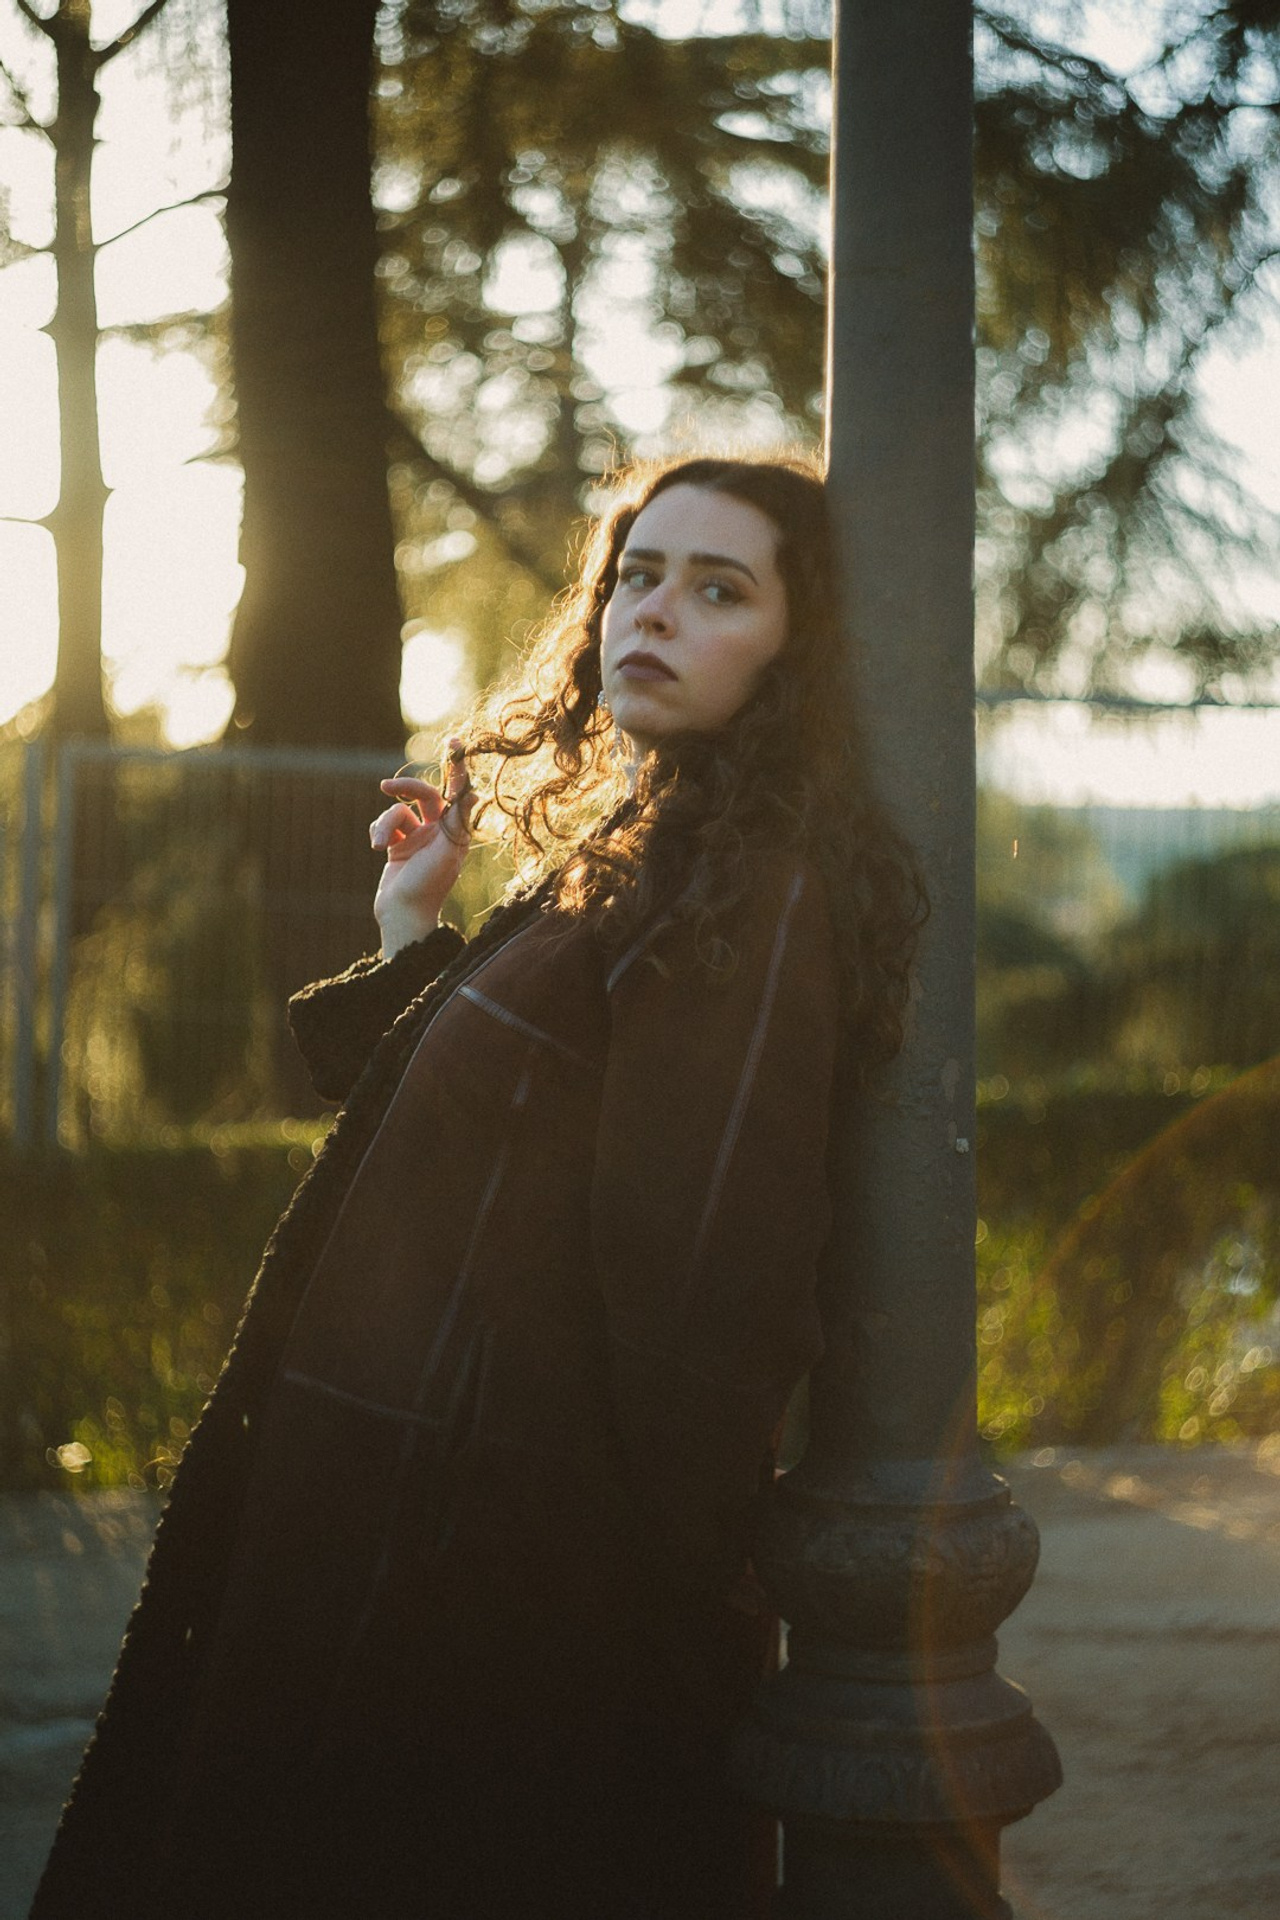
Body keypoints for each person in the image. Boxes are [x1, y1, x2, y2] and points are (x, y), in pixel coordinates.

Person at [31, 453, 923, 1920]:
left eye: (720, 590)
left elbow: (708, 1277)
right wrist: (409, 932)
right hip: (408, 1535)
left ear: (795, 647)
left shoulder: (746, 889)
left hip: (494, 1587)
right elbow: (492, 1137)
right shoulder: (647, 855)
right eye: (640, 572)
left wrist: (664, 1609)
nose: (656, 611)